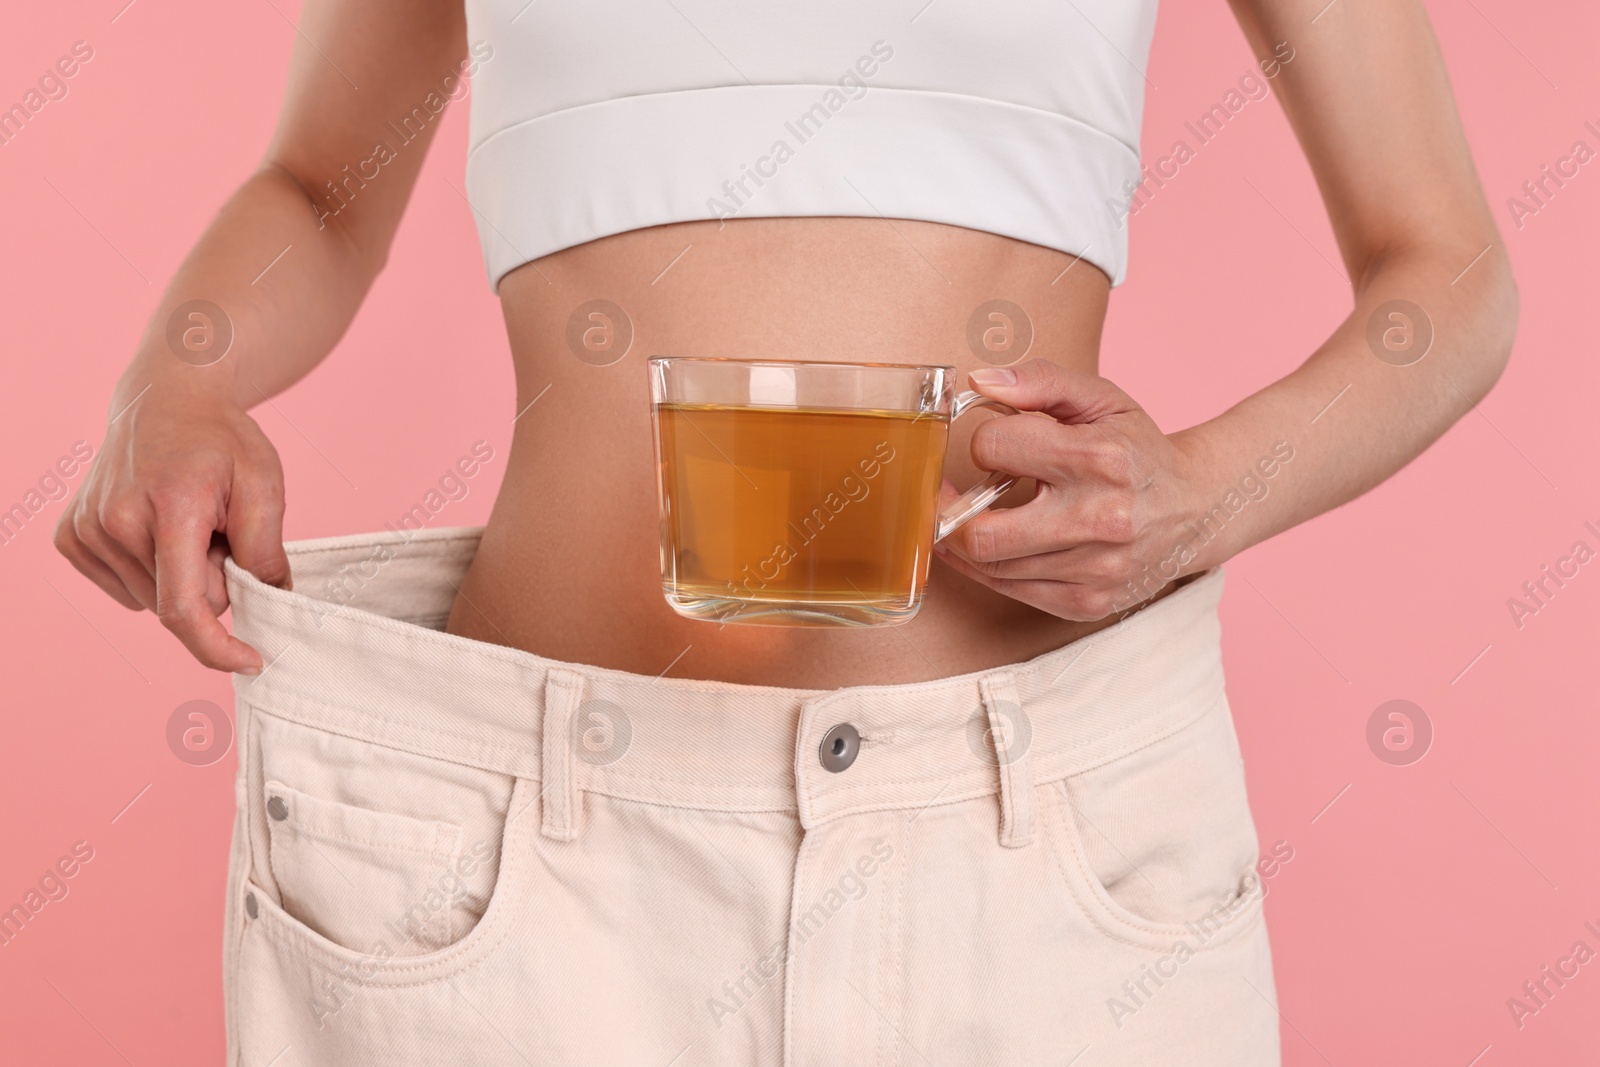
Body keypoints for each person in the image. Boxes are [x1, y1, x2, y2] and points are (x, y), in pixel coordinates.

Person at [54, 0, 1517, 1063]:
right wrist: (175, 377)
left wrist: (1207, 491)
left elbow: (1445, 274)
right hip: (521, 862)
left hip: (1040, 860)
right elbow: (320, 184)